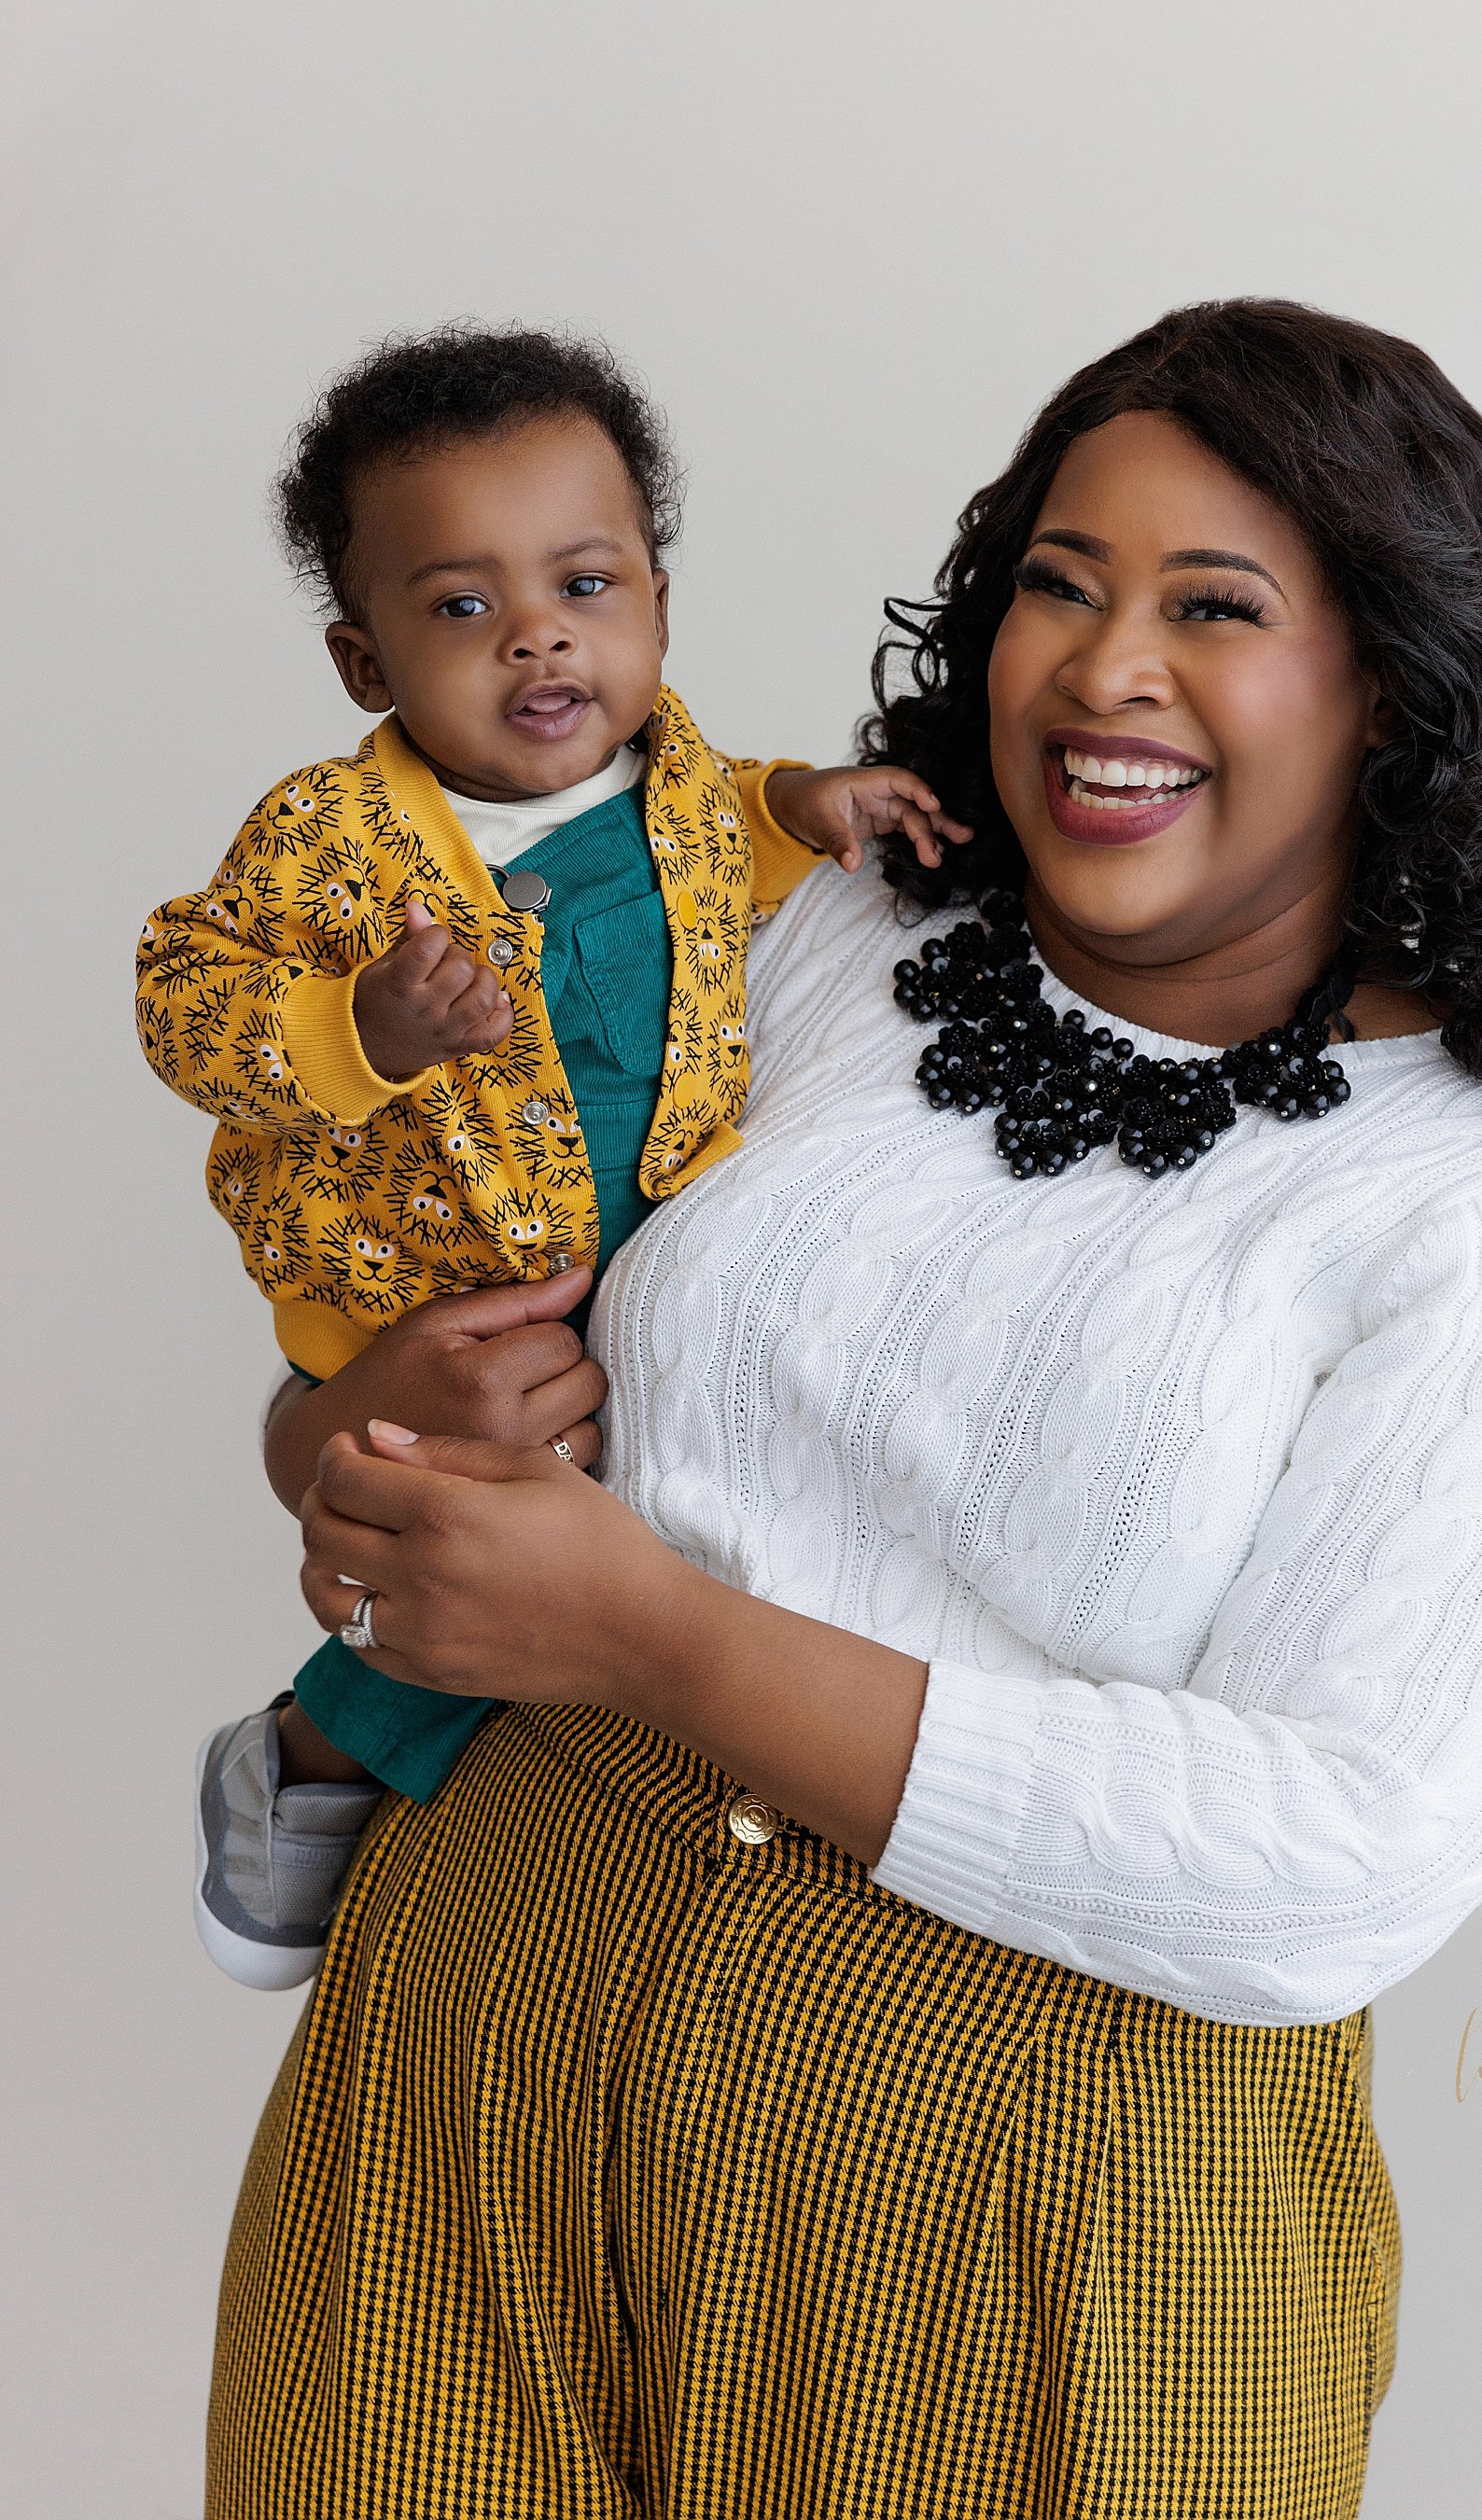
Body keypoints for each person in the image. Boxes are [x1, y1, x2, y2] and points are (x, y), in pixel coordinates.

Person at [207, 300, 1482, 2520]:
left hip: (1036, 2203)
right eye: (1061, 584)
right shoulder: (822, 927)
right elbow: (396, 1321)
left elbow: (1344, 1851)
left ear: (1388, 680)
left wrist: (658, 1638)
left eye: (1214, 608)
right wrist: (344, 1423)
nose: (1106, 668)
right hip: (480, 2051)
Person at [137, 327, 963, 1981]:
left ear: (656, 602)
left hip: (638, 1242)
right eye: (460, 608)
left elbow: (740, 816)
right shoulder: (332, 841)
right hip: (444, 1292)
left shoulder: (678, 787)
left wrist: (819, 803)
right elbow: (184, 1001)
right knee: (489, 1542)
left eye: (586, 585)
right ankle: (306, 1764)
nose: (536, 636)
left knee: (612, 1540)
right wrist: (360, 1029)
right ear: (365, 666)